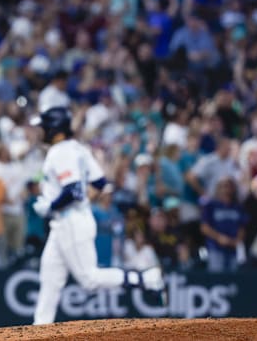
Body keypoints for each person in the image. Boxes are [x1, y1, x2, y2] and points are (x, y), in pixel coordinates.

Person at [29, 107, 165, 325]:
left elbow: (73, 190)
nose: (41, 131)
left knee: (89, 278)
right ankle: (40, 328)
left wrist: (51, 206)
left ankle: (146, 279)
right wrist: (80, 204)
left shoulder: (60, 152)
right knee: (50, 275)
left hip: (70, 221)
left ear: (55, 129)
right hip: (70, 219)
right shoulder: (78, 149)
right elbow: (100, 182)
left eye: (44, 126)